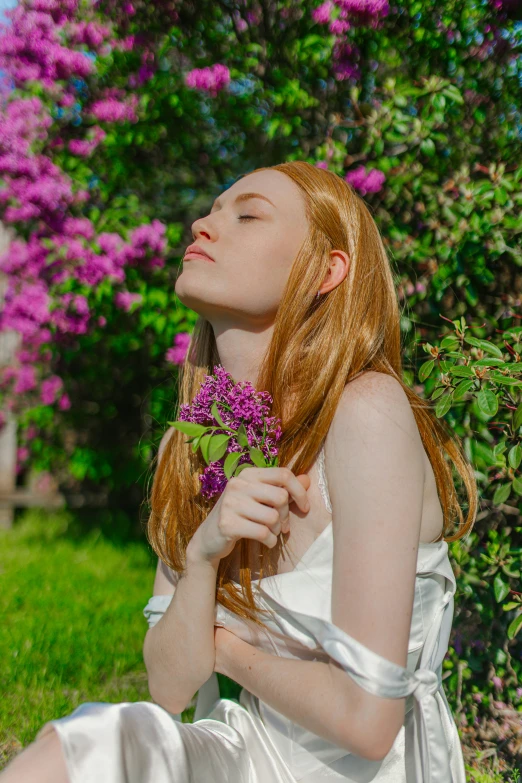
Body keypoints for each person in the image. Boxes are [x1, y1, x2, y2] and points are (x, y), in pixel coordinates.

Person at [1, 161, 477, 782]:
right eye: (212, 210)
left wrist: (222, 646)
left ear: (325, 271)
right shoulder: (194, 441)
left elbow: (368, 722)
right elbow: (169, 688)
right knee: (95, 742)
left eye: (247, 215)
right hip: (245, 752)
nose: (203, 224)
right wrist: (202, 557)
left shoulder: (365, 410)